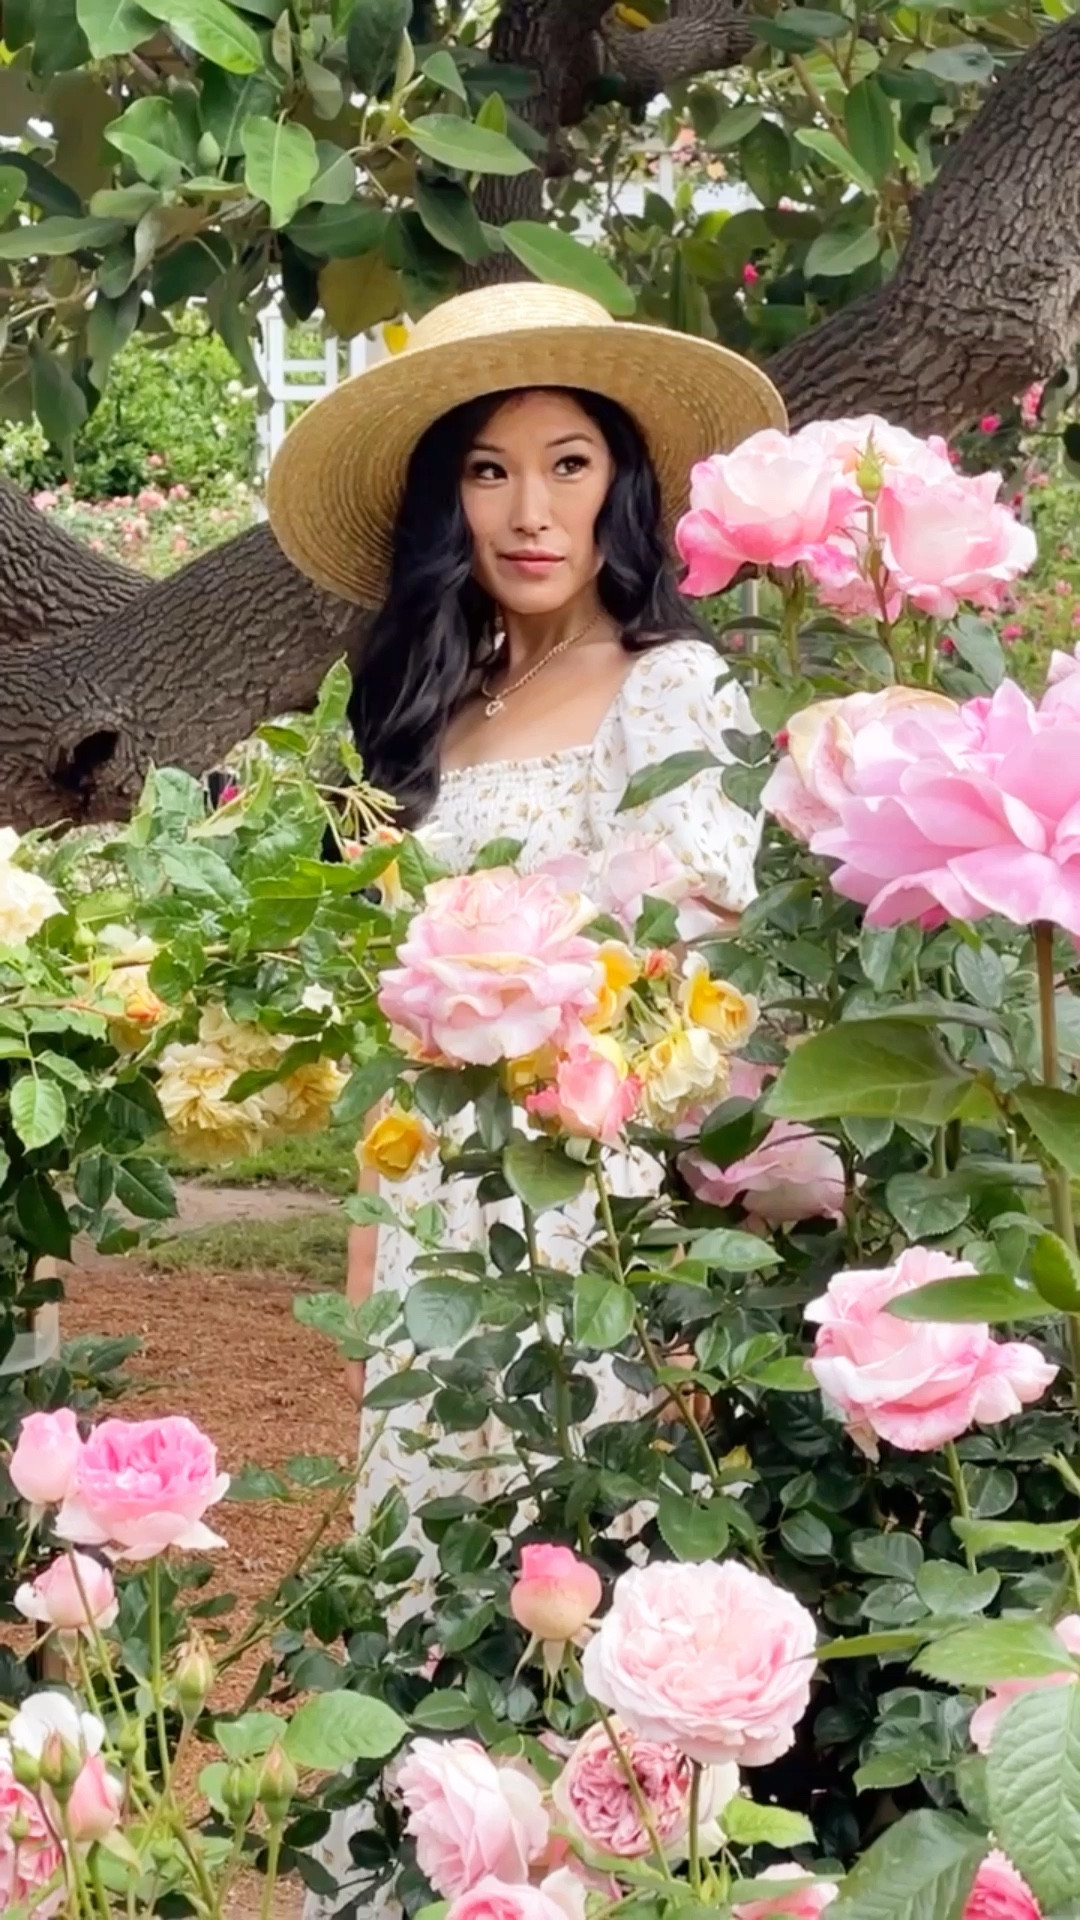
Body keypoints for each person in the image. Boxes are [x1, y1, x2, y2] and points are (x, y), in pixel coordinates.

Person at [266, 282, 785, 1912]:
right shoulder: (428, 716)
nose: (531, 507)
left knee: (589, 1589)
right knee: (429, 1576)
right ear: (444, 504)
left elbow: (690, 973)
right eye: (488, 472)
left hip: (596, 1215)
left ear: (625, 486)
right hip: (434, 1225)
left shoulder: (675, 694)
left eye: (569, 462)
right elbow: (382, 1018)